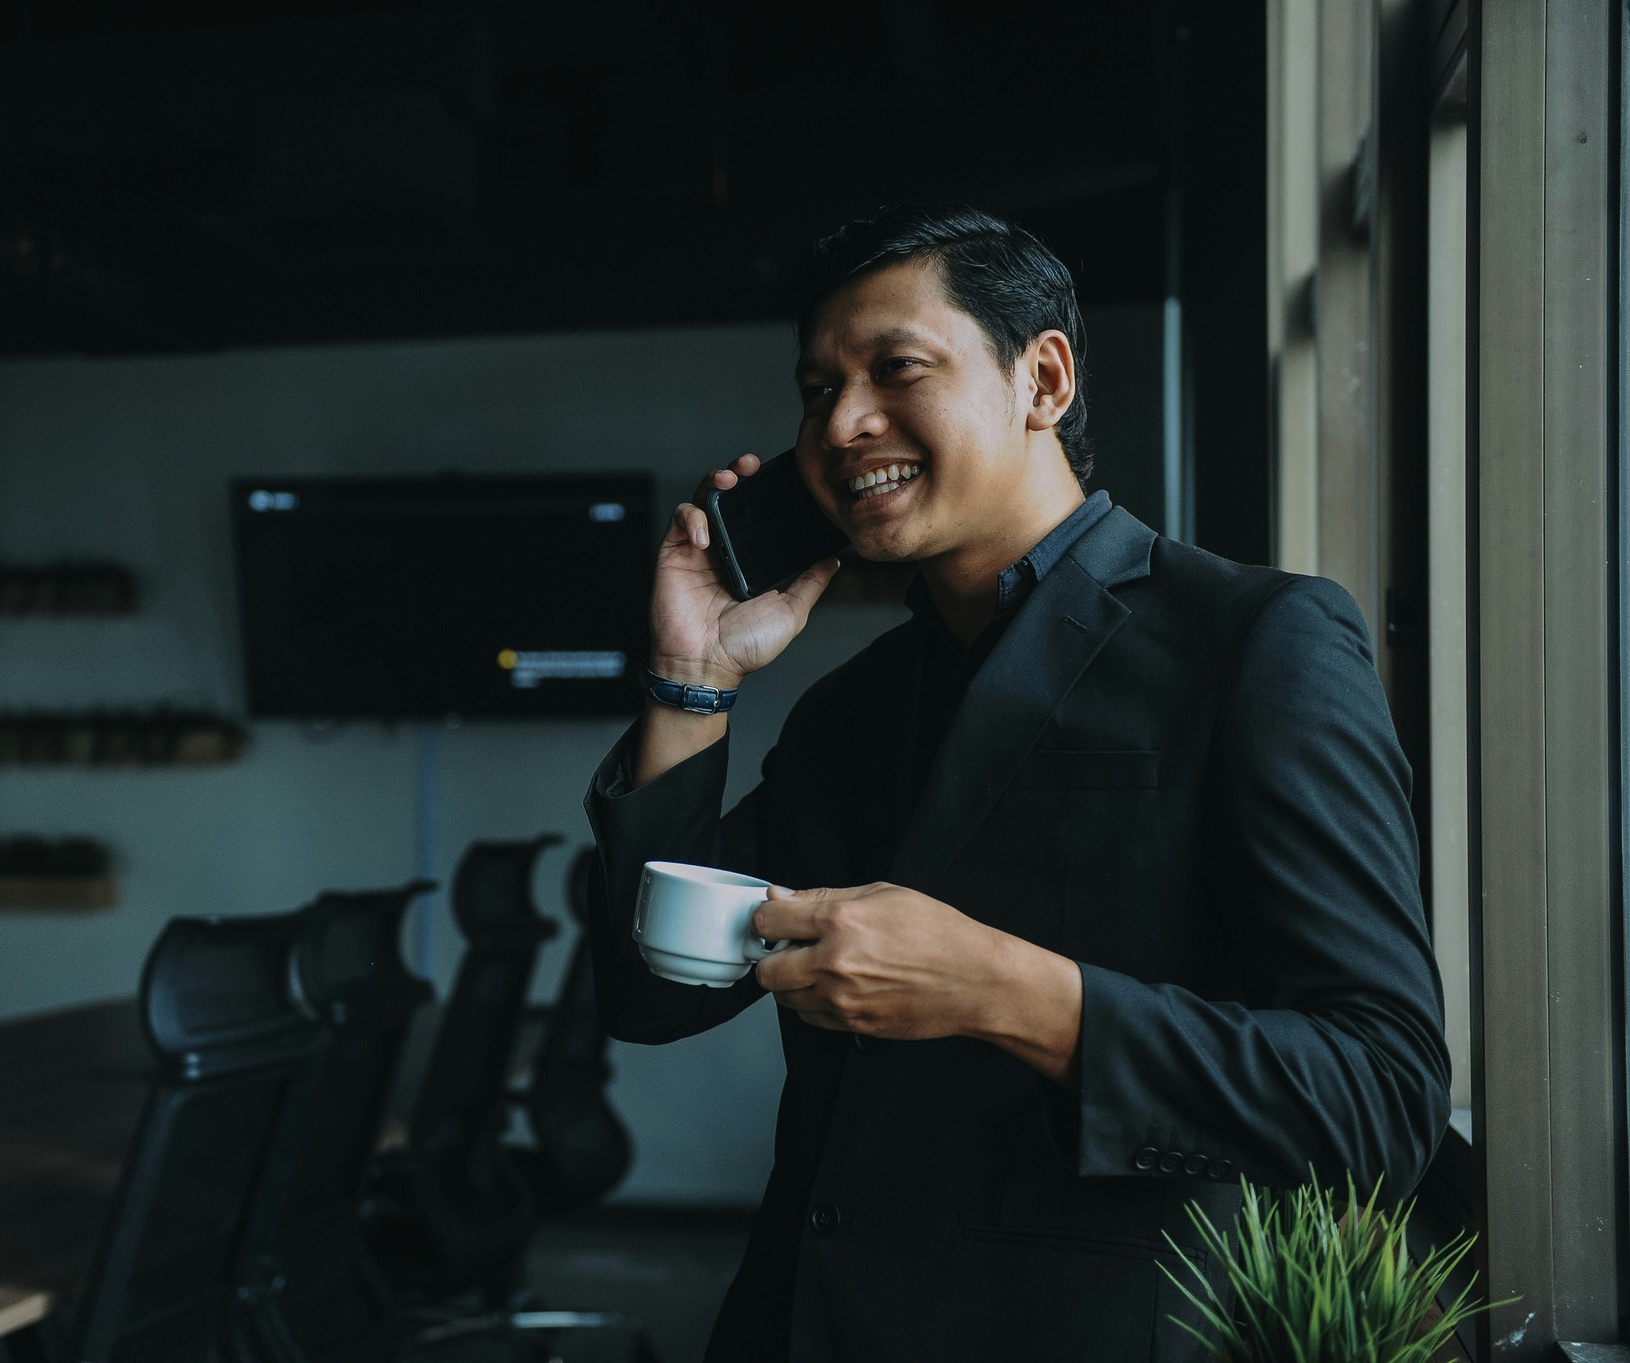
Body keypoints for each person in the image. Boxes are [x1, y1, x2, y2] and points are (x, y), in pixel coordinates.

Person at [582, 204, 1449, 1362]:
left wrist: (1006, 989)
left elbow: (1378, 1101)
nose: (841, 424)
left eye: (895, 369)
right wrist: (690, 679)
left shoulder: (1253, 641)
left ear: (1040, 378)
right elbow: (651, 999)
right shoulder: (851, 710)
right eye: (813, 389)